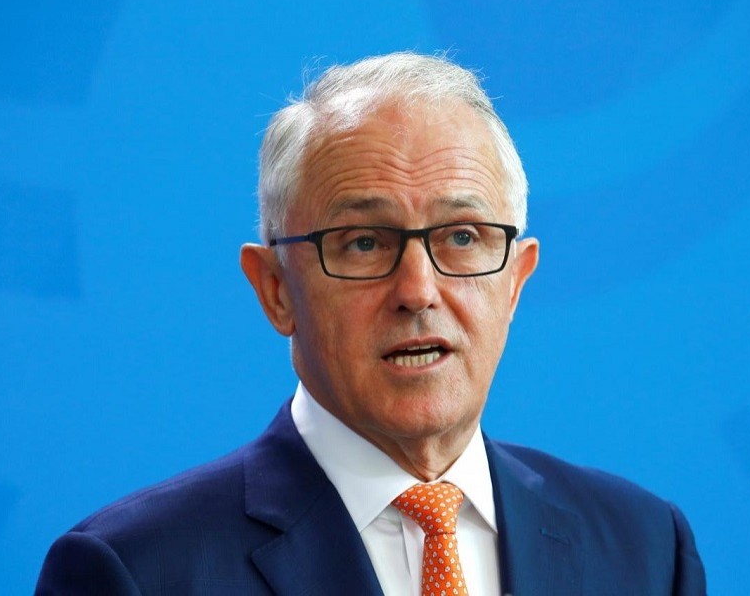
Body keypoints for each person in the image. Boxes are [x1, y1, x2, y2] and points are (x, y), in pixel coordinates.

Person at [35, 52, 706, 595]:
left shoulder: (644, 550)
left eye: (463, 237)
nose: (418, 290)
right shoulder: (132, 572)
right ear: (276, 290)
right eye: (363, 243)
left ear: (516, 281)